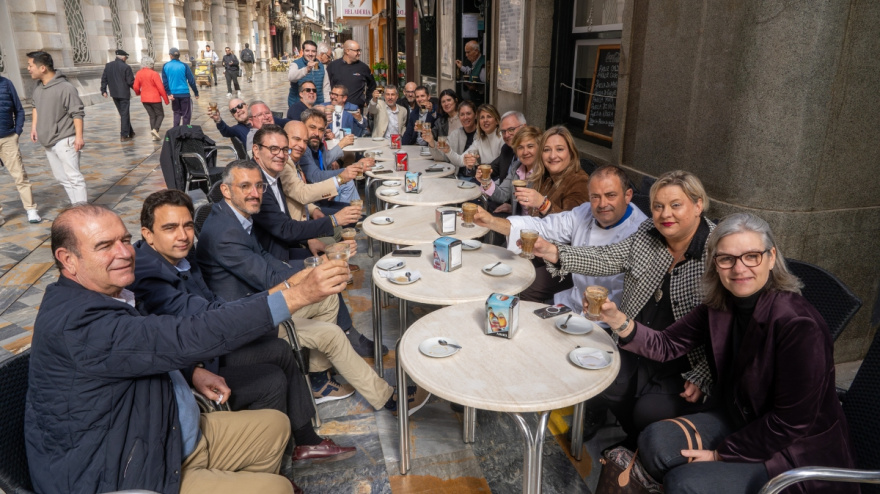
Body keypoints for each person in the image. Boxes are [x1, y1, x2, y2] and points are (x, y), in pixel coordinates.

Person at [25, 203, 346, 493]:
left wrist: (191, 371)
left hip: (166, 431)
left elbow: (144, 347)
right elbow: (186, 334)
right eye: (104, 246)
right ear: (68, 260)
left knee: (277, 426)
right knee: (277, 489)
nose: (124, 252)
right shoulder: (80, 322)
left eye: (124, 240)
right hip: (132, 471)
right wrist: (295, 296)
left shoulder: (105, 294)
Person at [600, 213, 856, 494]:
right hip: (742, 419)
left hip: (794, 450)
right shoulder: (721, 304)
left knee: (684, 483)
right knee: (652, 441)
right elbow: (666, 345)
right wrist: (618, 321)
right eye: (727, 259)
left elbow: (790, 423)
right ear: (716, 265)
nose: (739, 268)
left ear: (771, 258)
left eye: (751, 256)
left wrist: (721, 455)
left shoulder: (799, 324)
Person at [130, 189, 356, 463]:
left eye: (187, 225)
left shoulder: (179, 257)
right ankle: (273, 465)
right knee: (270, 380)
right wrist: (290, 289)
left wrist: (288, 287)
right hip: (193, 361)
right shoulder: (149, 275)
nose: (182, 235)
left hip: (208, 346)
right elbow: (205, 318)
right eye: (170, 228)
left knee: (280, 349)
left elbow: (213, 302)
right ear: (147, 234)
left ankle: (305, 441)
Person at [196, 160, 430, 415]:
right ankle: (389, 400)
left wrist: (319, 264)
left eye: (259, 186)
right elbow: (268, 278)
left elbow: (266, 259)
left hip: (256, 303)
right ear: (227, 191)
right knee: (331, 335)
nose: (255, 193)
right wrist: (323, 265)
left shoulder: (234, 216)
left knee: (328, 299)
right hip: (246, 321)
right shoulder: (225, 232)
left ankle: (318, 380)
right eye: (245, 186)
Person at [533, 170, 716, 448]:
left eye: (676, 205)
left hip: (683, 359)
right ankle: (633, 449)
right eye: (658, 206)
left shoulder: (718, 250)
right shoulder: (648, 233)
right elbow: (607, 258)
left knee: (648, 413)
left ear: (698, 205)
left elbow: (731, 323)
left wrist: (703, 372)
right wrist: (555, 252)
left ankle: (639, 453)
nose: (666, 214)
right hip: (635, 335)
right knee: (608, 385)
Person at [474, 164, 646, 305]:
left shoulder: (641, 232)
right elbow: (542, 226)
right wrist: (492, 222)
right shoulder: (584, 212)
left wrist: (553, 252)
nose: (602, 204)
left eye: (610, 195)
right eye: (595, 196)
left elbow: (608, 268)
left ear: (628, 195)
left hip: (607, 319)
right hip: (571, 302)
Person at [482, 126, 589, 217]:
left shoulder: (579, 181)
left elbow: (572, 225)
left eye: (559, 149)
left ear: (571, 152)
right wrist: (485, 181)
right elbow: (504, 195)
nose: (552, 156)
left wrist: (542, 204)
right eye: (547, 150)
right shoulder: (548, 175)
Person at [27, 50, 87, 204]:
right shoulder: (38, 87)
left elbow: (77, 113)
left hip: (65, 139)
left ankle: (83, 211)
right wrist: (34, 127)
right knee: (62, 178)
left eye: (30, 65)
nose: (28, 68)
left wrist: (79, 137)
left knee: (74, 177)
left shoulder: (65, 87)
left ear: (42, 68)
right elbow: (35, 106)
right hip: (47, 141)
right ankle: (77, 207)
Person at [280, 121, 350, 221]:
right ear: (284, 139)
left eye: (305, 141)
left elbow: (298, 195)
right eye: (297, 139)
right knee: (349, 217)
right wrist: (340, 179)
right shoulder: (284, 164)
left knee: (351, 212)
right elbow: (302, 193)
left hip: (309, 211)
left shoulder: (296, 162)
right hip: (297, 226)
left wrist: (314, 210)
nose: (301, 145)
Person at [299, 108, 364, 204]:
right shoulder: (302, 149)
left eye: (321, 130)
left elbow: (325, 161)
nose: (316, 133)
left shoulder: (318, 146)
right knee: (347, 182)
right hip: (312, 201)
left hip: (321, 191)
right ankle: (351, 214)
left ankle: (353, 213)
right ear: (302, 126)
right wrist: (345, 172)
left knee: (346, 181)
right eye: (312, 127)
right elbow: (315, 176)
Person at [0, 73, 41, 225]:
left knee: (20, 175)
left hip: (8, 138)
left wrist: (17, 132)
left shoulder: (6, 83)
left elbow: (19, 109)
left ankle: (31, 209)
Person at [440, 103, 503, 177]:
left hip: (497, 180)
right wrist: (448, 151)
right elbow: (461, 160)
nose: (485, 120)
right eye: (482, 117)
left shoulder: (502, 138)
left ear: (496, 120)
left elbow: (502, 167)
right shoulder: (479, 140)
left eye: (489, 116)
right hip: (483, 179)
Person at [427, 100, 477, 173]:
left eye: (468, 113)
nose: (465, 117)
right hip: (458, 176)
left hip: (477, 177)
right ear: (459, 117)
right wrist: (431, 141)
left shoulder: (481, 135)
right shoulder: (455, 134)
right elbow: (443, 157)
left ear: (475, 115)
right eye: (462, 114)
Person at [326, 40, 375, 109]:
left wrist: (367, 101)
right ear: (347, 51)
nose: (359, 53)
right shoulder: (333, 66)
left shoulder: (363, 68)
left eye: (359, 50)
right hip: (337, 108)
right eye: (357, 51)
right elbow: (326, 86)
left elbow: (372, 85)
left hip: (356, 109)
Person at [100, 49, 135, 140]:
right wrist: (138, 90)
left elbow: (104, 79)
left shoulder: (108, 66)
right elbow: (130, 81)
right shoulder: (126, 67)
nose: (126, 59)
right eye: (126, 57)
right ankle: (124, 134)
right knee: (124, 114)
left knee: (123, 113)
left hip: (114, 93)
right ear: (123, 57)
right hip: (124, 94)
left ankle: (130, 131)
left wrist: (103, 90)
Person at [133, 56, 169, 141]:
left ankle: (154, 135)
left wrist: (138, 93)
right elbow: (160, 88)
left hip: (144, 98)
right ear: (151, 64)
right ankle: (155, 130)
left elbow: (135, 86)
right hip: (155, 98)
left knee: (152, 116)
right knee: (160, 115)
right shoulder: (154, 74)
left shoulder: (139, 73)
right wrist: (166, 100)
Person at [162, 47, 199, 126]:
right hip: (184, 93)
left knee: (176, 113)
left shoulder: (165, 66)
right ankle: (185, 133)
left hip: (173, 94)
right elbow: (191, 81)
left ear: (171, 56)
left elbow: (165, 82)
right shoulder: (184, 66)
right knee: (186, 114)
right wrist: (196, 92)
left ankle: (176, 132)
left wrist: (168, 93)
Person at [288, 41, 330, 107]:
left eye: (313, 51)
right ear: (303, 51)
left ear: (316, 52)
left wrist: (327, 105)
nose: (310, 54)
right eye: (307, 51)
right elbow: (291, 77)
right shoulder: (295, 64)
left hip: (317, 105)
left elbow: (326, 88)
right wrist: (306, 69)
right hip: (298, 106)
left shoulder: (321, 66)